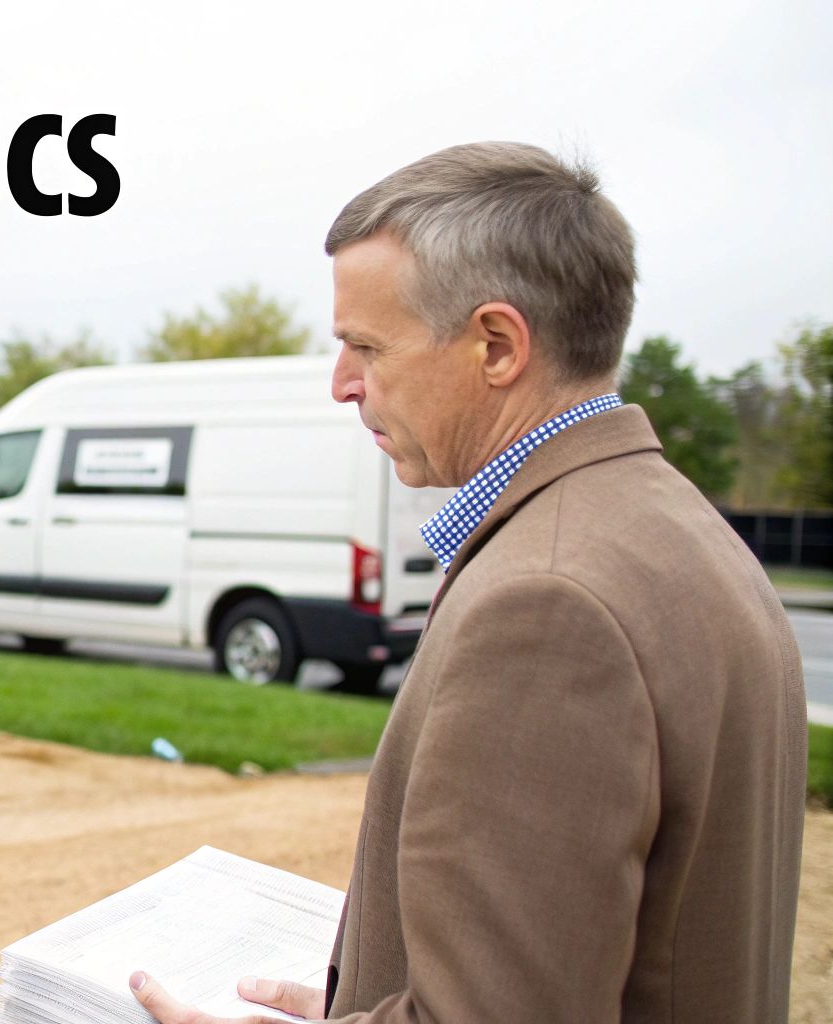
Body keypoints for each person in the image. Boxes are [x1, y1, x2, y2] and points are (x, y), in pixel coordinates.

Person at [131, 142, 806, 1022]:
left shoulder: (550, 607)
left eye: (366, 346)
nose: (342, 384)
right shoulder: (675, 527)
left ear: (496, 345)